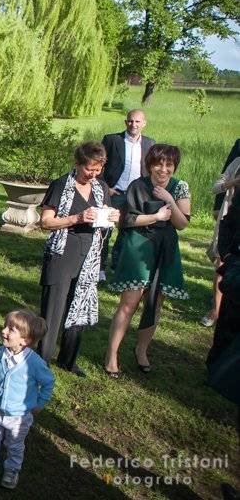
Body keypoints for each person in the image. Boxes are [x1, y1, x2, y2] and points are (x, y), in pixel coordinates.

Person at [105, 144, 190, 377]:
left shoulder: (180, 187)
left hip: (166, 250)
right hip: (138, 246)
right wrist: (156, 216)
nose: (163, 169)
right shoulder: (137, 185)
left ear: (174, 167)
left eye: (168, 165)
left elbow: (182, 224)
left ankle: (142, 350)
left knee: (154, 303)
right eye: (158, 164)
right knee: (129, 303)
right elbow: (127, 220)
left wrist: (169, 200)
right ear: (150, 165)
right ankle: (112, 355)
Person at [38, 142, 119, 377]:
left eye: (98, 170)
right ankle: (42, 360)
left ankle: (68, 359)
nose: (93, 175)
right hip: (63, 253)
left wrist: (112, 216)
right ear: (78, 163)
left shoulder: (101, 187)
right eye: (89, 170)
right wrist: (76, 218)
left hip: (90, 254)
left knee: (79, 306)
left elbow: (105, 215)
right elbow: (46, 222)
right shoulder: (61, 185)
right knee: (54, 308)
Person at [0, 310, 55, 490]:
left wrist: (40, 403)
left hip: (19, 416)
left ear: (25, 340)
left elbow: (48, 382)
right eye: (5, 326)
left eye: (11, 330)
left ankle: (12, 469)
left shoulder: (34, 363)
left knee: (14, 445)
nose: (4, 331)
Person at [100, 110, 155, 277]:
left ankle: (117, 267)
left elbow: (151, 169)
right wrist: (105, 186)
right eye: (131, 121)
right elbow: (99, 163)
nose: (134, 125)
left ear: (144, 123)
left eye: (137, 122)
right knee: (105, 229)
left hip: (135, 196)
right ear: (126, 122)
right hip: (114, 192)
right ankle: (100, 268)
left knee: (127, 232)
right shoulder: (112, 140)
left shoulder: (150, 143)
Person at [203, 140, 240, 327]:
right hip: (232, 220)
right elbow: (216, 186)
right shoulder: (237, 162)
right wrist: (234, 182)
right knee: (222, 262)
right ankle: (216, 311)